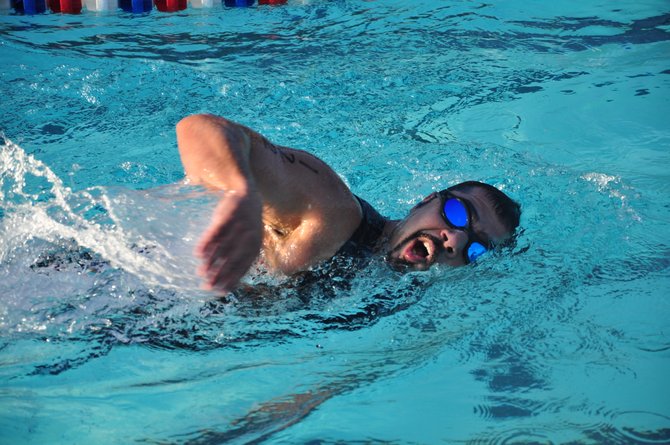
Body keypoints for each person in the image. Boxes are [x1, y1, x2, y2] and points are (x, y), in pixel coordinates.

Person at [176, 113, 521, 293]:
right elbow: (197, 129)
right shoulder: (332, 213)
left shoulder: (396, 296)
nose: (457, 240)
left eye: (477, 249)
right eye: (458, 213)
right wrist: (241, 196)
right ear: (426, 201)